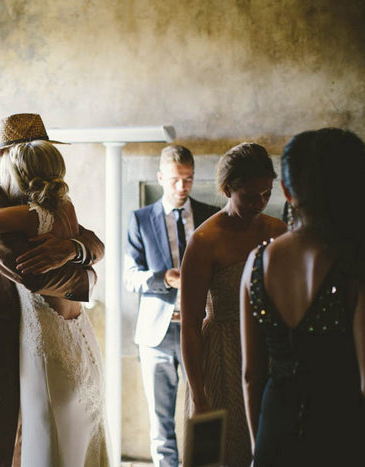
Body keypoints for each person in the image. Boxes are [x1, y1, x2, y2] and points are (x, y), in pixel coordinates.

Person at [0, 113, 105, 467]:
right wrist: (87, 279)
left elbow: (93, 240)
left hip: (29, 342)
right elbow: (31, 274)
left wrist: (75, 250)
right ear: (8, 158)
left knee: (26, 447)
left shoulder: (37, 205)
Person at [240, 128, 365, 466]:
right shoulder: (358, 262)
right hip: (343, 434)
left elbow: (251, 376)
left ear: (286, 190)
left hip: (274, 429)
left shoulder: (256, 262)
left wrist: (261, 447)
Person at [180, 143, 286, 467]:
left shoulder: (277, 230)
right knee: (219, 454)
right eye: (250, 196)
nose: (259, 203)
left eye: (266, 194)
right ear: (228, 189)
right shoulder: (203, 241)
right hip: (220, 357)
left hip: (267, 351)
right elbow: (190, 325)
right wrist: (199, 396)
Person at [124, 145, 219, 467]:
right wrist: (163, 277)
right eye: (177, 180)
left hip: (203, 328)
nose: (183, 187)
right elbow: (130, 277)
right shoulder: (139, 219)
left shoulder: (211, 215)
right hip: (157, 334)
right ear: (161, 177)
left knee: (204, 411)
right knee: (161, 421)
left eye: (189, 179)